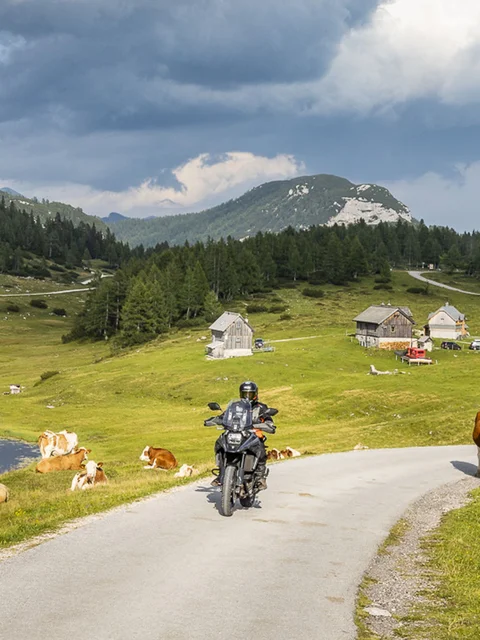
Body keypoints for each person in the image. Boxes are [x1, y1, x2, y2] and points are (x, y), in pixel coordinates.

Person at [211, 380, 273, 489]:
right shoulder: (235, 406)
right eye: (245, 394)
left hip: (253, 436)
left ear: (255, 394)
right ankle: (221, 473)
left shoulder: (261, 407)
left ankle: (259, 478)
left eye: (250, 394)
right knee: (219, 443)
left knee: (261, 451)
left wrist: (268, 424)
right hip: (236, 433)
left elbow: (268, 419)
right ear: (241, 394)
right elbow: (225, 415)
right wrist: (215, 420)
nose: (247, 396)